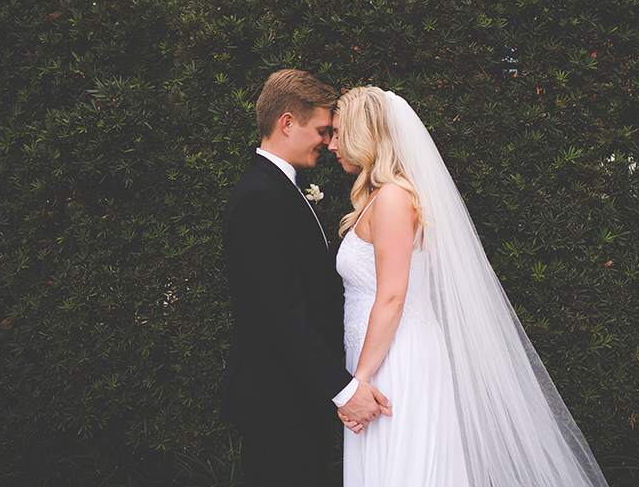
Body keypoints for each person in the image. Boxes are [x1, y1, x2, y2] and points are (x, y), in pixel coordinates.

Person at [329, 86, 610, 487]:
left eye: (339, 133)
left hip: (394, 361)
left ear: (364, 133)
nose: (332, 144)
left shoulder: (393, 197)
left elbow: (392, 295)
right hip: (376, 357)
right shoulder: (378, 197)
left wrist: (358, 382)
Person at [221, 70, 390, 487]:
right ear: (286, 123)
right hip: (277, 401)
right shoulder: (260, 196)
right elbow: (280, 314)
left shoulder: (280, 188)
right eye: (321, 130)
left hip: (297, 397)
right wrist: (344, 390)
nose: (327, 141)